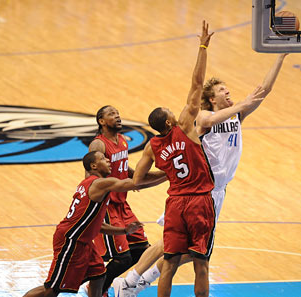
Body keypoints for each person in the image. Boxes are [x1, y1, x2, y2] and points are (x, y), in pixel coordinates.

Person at [112, 44, 289, 297]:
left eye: (229, 91)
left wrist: (280, 56)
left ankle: (138, 280)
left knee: (181, 250)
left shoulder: (235, 117)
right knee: (185, 251)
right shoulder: (203, 118)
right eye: (222, 91)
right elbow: (206, 119)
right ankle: (131, 280)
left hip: (214, 192)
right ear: (212, 99)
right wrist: (240, 105)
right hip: (198, 192)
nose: (229, 93)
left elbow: (264, 90)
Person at [132, 20, 215, 297]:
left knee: (169, 264)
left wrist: (165, 175)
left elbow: (137, 180)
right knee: (201, 264)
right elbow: (197, 83)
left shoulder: (152, 147)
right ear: (170, 119)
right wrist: (203, 46)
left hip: (175, 203)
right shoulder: (185, 127)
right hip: (200, 201)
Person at [23, 151, 145, 297]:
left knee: (99, 276)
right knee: (51, 289)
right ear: (93, 166)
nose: (108, 160)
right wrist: (169, 175)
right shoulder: (99, 183)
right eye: (103, 159)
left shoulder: (92, 184)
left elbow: (98, 225)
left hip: (84, 241)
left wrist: (124, 231)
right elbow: (134, 183)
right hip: (71, 240)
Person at [88, 105, 166, 295]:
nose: (118, 116)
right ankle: (97, 289)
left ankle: (104, 285)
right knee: (122, 258)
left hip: (122, 205)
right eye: (112, 114)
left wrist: (164, 174)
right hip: (106, 206)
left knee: (141, 250)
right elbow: (91, 180)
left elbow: (129, 173)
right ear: (101, 121)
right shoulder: (98, 145)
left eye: (118, 113)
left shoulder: (122, 140)